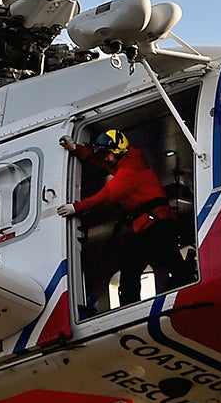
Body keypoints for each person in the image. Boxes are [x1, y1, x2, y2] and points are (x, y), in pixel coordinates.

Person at [59, 129, 186, 309]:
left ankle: (182, 296)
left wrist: (75, 208)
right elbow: (99, 160)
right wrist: (76, 149)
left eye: (108, 154)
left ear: (117, 151)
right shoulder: (124, 161)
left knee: (166, 262)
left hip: (156, 224)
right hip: (148, 225)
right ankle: (131, 309)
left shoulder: (129, 170)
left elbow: (106, 196)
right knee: (130, 269)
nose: (106, 159)